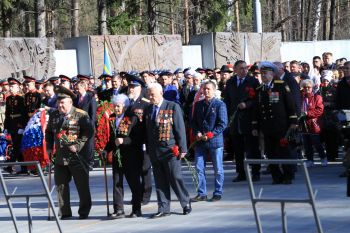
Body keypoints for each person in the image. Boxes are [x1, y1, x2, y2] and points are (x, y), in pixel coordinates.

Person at [45, 85, 94, 220]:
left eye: (62, 102)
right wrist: (49, 146)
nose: (59, 105)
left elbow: (89, 131)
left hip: (77, 156)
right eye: (58, 102)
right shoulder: (54, 114)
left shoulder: (80, 114)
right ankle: (65, 212)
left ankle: (84, 211)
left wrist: (78, 145)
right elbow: (49, 132)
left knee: (82, 186)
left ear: (70, 102)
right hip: (60, 156)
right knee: (60, 184)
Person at [145, 83, 191, 218]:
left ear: (161, 93)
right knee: (160, 180)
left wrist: (183, 147)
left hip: (170, 149)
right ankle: (164, 208)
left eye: (152, 94)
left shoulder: (172, 106)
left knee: (175, 177)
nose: (150, 97)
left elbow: (179, 129)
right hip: (154, 150)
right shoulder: (149, 109)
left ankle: (185, 202)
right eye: (149, 94)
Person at [252, 61, 298, 185]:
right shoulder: (260, 89)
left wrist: (293, 120)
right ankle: (276, 176)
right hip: (267, 127)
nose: (263, 76)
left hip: (281, 125)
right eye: (262, 73)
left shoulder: (281, 86)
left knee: (284, 152)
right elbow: (257, 109)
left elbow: (290, 105)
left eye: (265, 73)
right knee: (270, 153)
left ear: (272, 74)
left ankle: (288, 175)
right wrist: (255, 125)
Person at [103, 94, 143, 218]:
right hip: (117, 155)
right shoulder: (112, 118)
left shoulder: (132, 118)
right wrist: (106, 150)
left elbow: (138, 138)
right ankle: (118, 209)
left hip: (131, 156)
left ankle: (136, 209)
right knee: (117, 182)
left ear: (125, 106)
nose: (116, 108)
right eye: (114, 106)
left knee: (134, 183)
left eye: (118, 106)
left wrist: (124, 141)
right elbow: (112, 139)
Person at [223, 60, 261, 182]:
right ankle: (241, 173)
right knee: (238, 149)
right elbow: (227, 101)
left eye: (245, 68)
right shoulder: (230, 82)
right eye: (241, 68)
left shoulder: (253, 81)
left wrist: (247, 104)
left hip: (249, 120)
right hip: (235, 121)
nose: (244, 70)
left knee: (253, 148)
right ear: (235, 70)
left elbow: (257, 100)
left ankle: (255, 172)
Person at [191, 81, 227, 201]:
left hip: (214, 141)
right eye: (204, 89)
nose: (206, 91)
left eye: (208, 89)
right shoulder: (198, 104)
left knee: (218, 169)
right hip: (200, 141)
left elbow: (222, 124)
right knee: (199, 167)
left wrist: (210, 134)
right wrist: (197, 132)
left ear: (214, 90)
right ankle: (202, 193)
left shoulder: (219, 104)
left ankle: (218, 192)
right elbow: (193, 122)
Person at [126, 74, 152, 206]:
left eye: (134, 87)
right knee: (134, 170)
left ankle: (146, 195)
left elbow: (148, 125)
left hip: (143, 142)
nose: (131, 89)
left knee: (145, 169)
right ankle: (137, 194)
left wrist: (147, 142)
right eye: (130, 87)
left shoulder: (145, 103)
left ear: (140, 88)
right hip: (130, 142)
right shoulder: (126, 102)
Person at [299, 79, 327, 167]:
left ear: (312, 87)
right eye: (305, 87)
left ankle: (323, 157)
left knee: (316, 142)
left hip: (313, 123)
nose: (307, 89)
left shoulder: (317, 97)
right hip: (303, 123)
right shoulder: (301, 97)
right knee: (306, 143)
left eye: (309, 87)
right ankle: (310, 160)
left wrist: (308, 113)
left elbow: (320, 110)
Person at [4, 78, 27, 174]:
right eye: (10, 86)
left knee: (17, 146)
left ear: (18, 87)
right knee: (17, 146)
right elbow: (7, 113)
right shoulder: (9, 98)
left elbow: (23, 113)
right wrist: (6, 126)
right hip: (12, 124)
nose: (10, 88)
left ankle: (10, 165)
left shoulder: (21, 98)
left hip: (18, 124)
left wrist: (21, 126)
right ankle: (23, 168)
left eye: (13, 86)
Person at [74, 75, 97, 170]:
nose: (77, 90)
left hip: (88, 125)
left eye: (78, 88)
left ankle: (90, 162)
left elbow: (93, 113)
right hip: (79, 126)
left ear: (84, 87)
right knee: (81, 144)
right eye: (76, 88)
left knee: (89, 144)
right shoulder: (76, 99)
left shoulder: (90, 97)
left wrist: (91, 125)